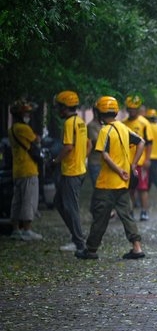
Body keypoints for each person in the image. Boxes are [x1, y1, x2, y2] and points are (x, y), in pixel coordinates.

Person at [76, 96, 146, 260]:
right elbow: (141, 142)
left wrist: (120, 170)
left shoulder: (105, 131)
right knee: (127, 214)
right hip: (123, 183)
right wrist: (132, 166)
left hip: (107, 182)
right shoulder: (123, 127)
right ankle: (137, 247)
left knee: (100, 216)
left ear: (100, 113)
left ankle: (91, 249)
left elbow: (105, 156)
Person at [52, 91, 91, 252]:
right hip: (79, 169)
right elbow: (88, 144)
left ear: (64, 107)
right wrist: (81, 158)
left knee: (70, 207)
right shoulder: (80, 121)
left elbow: (68, 147)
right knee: (59, 203)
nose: (57, 110)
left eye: (59, 107)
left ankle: (79, 243)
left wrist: (55, 160)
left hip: (71, 172)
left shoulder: (69, 123)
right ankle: (76, 238)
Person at [8, 100, 43, 241]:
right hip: (29, 169)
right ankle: (27, 230)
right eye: (26, 113)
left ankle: (16, 229)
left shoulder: (11, 129)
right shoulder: (24, 129)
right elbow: (37, 140)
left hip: (17, 170)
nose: (28, 115)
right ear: (20, 115)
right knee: (29, 199)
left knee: (17, 200)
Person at [122, 95, 153, 221]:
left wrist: (147, 159)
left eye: (135, 109)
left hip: (140, 161)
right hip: (127, 162)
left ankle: (144, 211)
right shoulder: (123, 123)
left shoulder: (144, 123)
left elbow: (149, 142)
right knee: (130, 189)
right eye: (130, 109)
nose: (132, 111)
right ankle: (131, 211)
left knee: (142, 188)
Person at [87, 107, 103, 187]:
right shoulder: (91, 126)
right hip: (95, 162)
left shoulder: (102, 125)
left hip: (104, 163)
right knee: (98, 189)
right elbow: (97, 142)